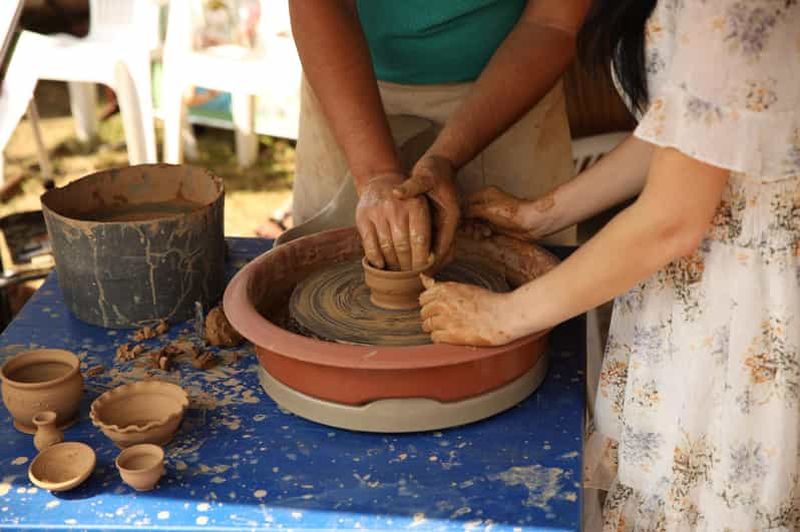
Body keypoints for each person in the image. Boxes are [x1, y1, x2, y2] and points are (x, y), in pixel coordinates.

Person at [421, 0, 800, 528]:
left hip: (750, 308)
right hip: (720, 272)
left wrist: (502, 316)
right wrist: (544, 214)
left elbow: (672, 221)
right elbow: (695, 129)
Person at [284, 0, 590, 271]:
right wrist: (376, 176)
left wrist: (444, 158)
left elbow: (551, 22)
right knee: (319, 268)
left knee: (529, 277)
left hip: (511, 86)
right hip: (347, 80)